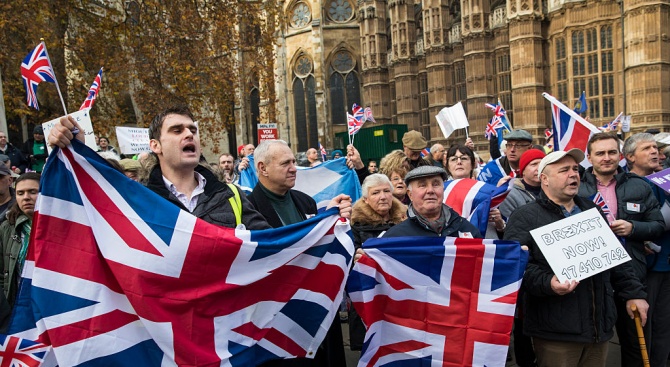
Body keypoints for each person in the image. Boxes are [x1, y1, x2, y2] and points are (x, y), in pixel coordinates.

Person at [504, 149, 649, 367]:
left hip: (598, 328)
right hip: (556, 333)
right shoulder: (524, 217)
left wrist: (634, 294)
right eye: (564, 170)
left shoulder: (592, 209)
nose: (573, 175)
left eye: (575, 169)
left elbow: (615, 258)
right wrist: (548, 282)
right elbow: (516, 268)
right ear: (544, 179)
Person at [49, 106, 270, 230]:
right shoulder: (139, 200)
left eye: (192, 129)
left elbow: (272, 248)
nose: (189, 134)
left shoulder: (231, 195)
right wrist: (75, 151)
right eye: (176, 130)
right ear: (155, 145)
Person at [246, 139, 351, 367]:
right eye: (285, 163)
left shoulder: (305, 202)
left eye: (293, 161)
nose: (294, 167)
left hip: (314, 311)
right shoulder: (248, 208)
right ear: (262, 168)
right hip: (276, 318)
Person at [348, 173, 406, 351]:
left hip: (401, 296)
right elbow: (345, 263)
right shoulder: (353, 226)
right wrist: (355, 260)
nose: (382, 197)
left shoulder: (407, 222)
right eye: (375, 193)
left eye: (387, 191)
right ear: (365, 199)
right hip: (370, 296)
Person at [382, 166, 482, 238]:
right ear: (410, 194)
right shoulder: (395, 237)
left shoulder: (466, 229)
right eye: (422, 185)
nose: (430, 190)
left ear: (443, 190)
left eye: (436, 184)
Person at [0, 172, 40, 309]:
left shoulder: (60, 226)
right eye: (20, 193)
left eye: (33, 192)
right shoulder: (7, 228)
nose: (26, 198)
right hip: (18, 306)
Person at [499, 149, 545, 220]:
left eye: (542, 164)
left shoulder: (554, 189)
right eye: (534, 164)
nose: (539, 168)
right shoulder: (510, 195)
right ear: (523, 171)